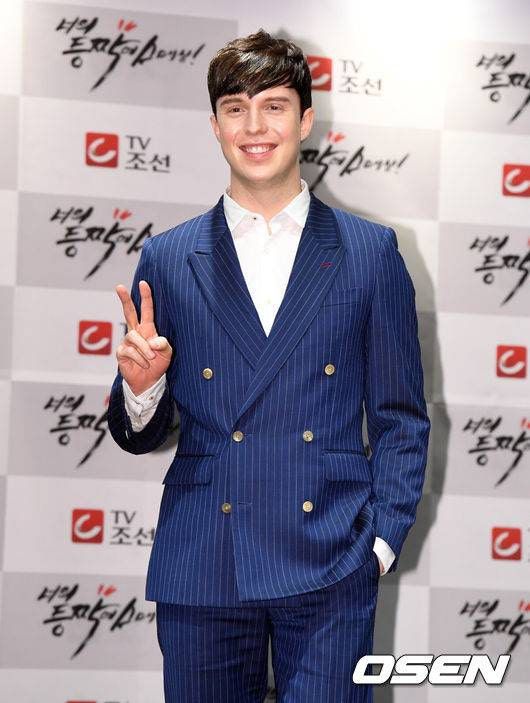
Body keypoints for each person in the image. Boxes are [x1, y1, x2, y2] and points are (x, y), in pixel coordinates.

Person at [107, 28, 430, 703]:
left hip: (330, 559)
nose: (255, 127)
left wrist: (380, 544)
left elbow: (401, 417)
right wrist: (142, 390)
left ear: (305, 120)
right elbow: (139, 431)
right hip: (204, 559)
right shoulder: (169, 257)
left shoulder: (369, 253)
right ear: (215, 126)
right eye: (236, 109)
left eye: (274, 106)